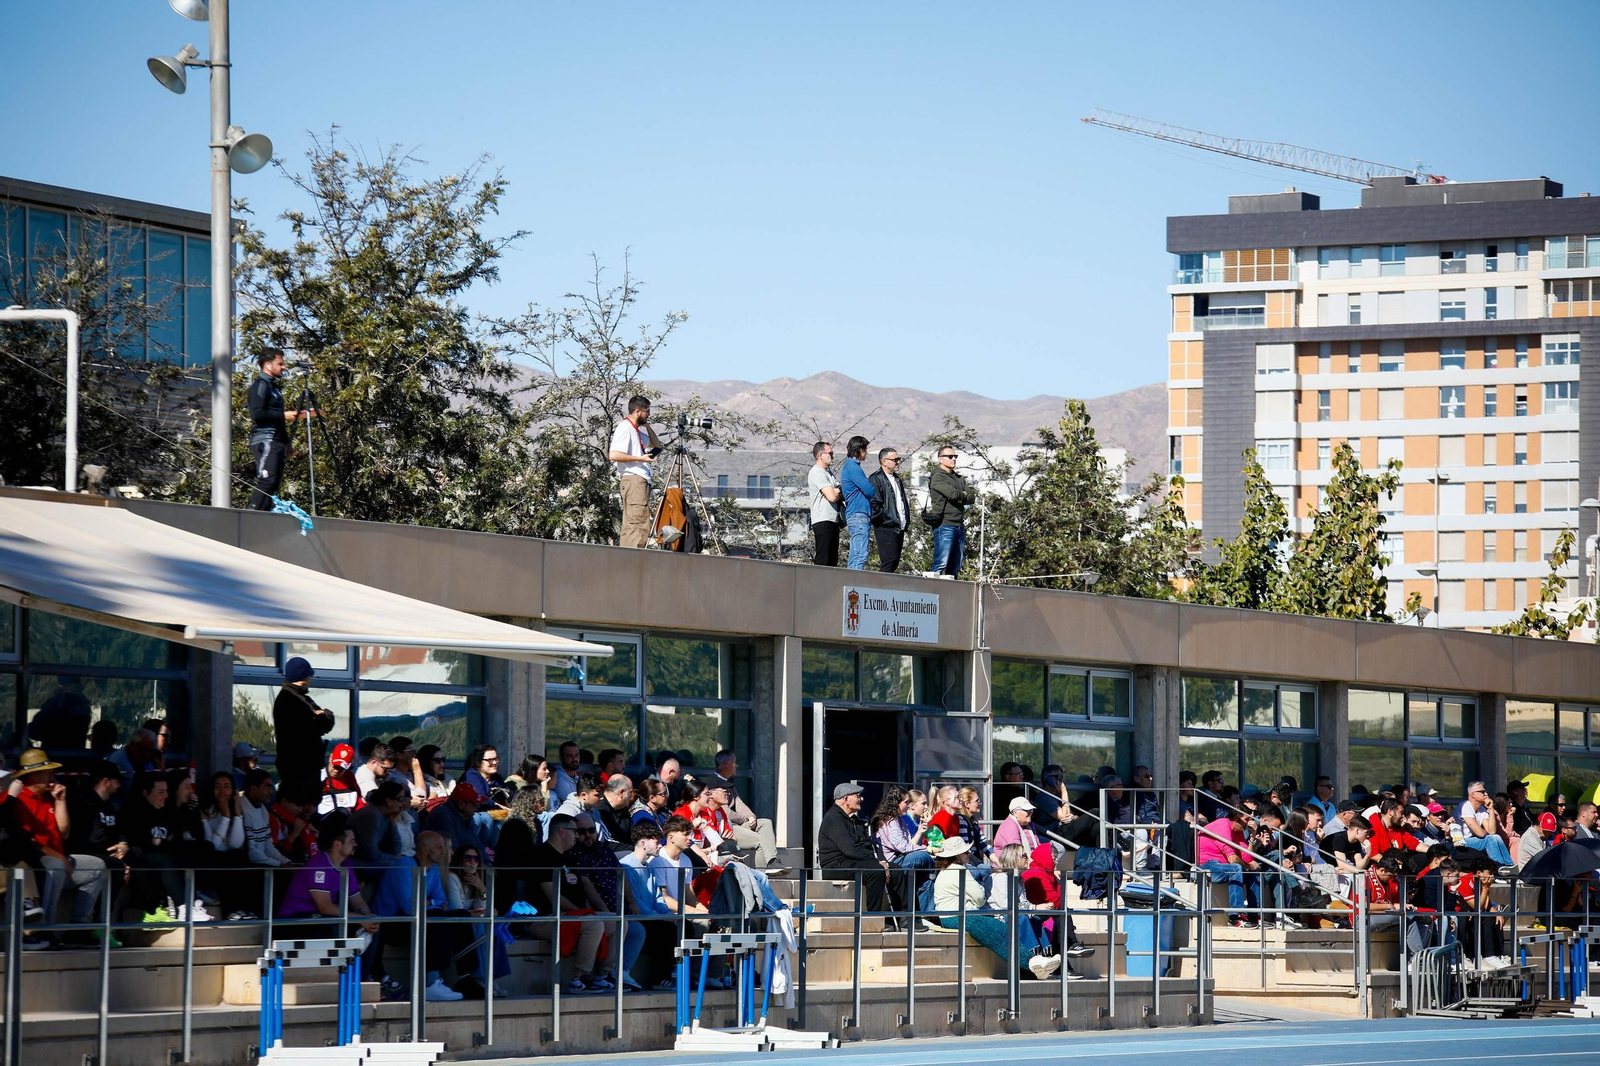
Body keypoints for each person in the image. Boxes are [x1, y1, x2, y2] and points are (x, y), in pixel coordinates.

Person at [275, 816, 395, 999]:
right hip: (294, 921)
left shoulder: (346, 865)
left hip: (319, 919)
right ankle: (345, 982)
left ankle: (363, 980)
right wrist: (359, 919)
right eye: (351, 841)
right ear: (337, 845)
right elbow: (325, 907)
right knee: (337, 927)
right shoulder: (318, 865)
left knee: (373, 929)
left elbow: (357, 900)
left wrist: (368, 917)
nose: (356, 844)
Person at [930, 838, 1061, 980]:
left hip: (959, 915)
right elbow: (980, 897)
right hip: (958, 916)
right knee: (999, 931)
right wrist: (1034, 907)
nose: (969, 853)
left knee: (1010, 925)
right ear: (956, 855)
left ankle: (1036, 961)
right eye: (964, 851)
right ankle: (1031, 963)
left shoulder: (951, 870)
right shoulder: (959, 870)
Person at [10, 748, 107, 937]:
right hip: (36, 861)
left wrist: (61, 801)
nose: (52, 776)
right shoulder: (19, 799)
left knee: (97, 866)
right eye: (47, 772)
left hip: (57, 856)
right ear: (33, 775)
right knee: (56, 866)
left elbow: (64, 834)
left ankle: (77, 928)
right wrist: (59, 858)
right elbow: (28, 842)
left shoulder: (50, 797)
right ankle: (43, 929)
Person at [524, 813, 615, 994]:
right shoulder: (541, 855)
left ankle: (602, 975)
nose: (577, 836)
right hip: (545, 919)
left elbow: (583, 888)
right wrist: (583, 913)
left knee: (619, 922)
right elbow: (553, 897)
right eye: (575, 832)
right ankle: (578, 978)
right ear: (562, 831)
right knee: (594, 924)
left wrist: (588, 912)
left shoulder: (569, 856)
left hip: (573, 917)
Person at [119, 770, 213, 922]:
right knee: (164, 857)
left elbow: (175, 839)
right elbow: (142, 846)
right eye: (161, 792)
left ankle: (194, 897)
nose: (166, 796)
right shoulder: (132, 812)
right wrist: (160, 843)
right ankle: (183, 907)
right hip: (141, 868)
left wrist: (192, 811)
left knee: (198, 848)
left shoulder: (164, 811)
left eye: (167, 791)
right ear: (146, 793)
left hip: (162, 863)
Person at [247, 348, 317, 510]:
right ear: (268, 365)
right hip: (265, 439)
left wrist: (286, 442)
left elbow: (278, 419)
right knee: (267, 480)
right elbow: (257, 414)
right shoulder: (260, 386)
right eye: (280, 363)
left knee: (275, 483)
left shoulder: (275, 389)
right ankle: (250, 516)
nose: (284, 367)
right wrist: (284, 415)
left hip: (277, 441)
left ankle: (263, 516)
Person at [618, 822, 683, 990]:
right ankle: (661, 978)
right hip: (636, 916)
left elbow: (658, 898)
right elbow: (635, 901)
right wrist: (660, 917)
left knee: (684, 926)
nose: (660, 845)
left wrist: (669, 915)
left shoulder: (648, 868)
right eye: (655, 841)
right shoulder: (627, 866)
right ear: (643, 843)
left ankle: (686, 974)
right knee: (666, 930)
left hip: (650, 915)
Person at [818, 782, 890, 916]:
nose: (861, 799)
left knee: (899, 870)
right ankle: (873, 916)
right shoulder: (833, 818)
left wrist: (881, 860)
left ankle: (904, 917)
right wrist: (875, 862)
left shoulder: (853, 820)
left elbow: (867, 844)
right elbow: (849, 849)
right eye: (857, 795)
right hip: (836, 866)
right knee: (875, 871)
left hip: (852, 861)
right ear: (846, 799)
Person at [272, 657, 334, 802]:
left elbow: (324, 721)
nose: (311, 678)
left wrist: (324, 715)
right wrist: (322, 715)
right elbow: (317, 726)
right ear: (304, 676)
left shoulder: (299, 698)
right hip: (299, 771)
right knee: (302, 808)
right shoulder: (291, 700)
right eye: (309, 675)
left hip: (304, 769)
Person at [710, 749, 784, 872]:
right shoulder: (714, 783)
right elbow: (726, 812)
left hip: (735, 824)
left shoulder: (727, 783)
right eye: (735, 762)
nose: (737, 766)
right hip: (726, 827)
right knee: (761, 841)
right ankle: (761, 874)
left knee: (765, 823)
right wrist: (744, 819)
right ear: (727, 763)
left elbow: (738, 802)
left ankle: (772, 861)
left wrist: (751, 816)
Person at [872, 787, 934, 912]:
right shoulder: (889, 821)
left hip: (902, 857)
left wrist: (919, 833)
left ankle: (925, 912)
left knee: (926, 878)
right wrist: (928, 849)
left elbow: (907, 845)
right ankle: (940, 869)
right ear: (896, 803)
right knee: (923, 857)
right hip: (894, 861)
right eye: (906, 802)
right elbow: (903, 847)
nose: (908, 805)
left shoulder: (899, 820)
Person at [1196, 807, 1261, 927]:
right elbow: (1232, 859)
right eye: (1247, 819)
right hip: (1208, 865)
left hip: (1222, 865)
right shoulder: (1223, 826)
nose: (1250, 823)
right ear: (1236, 819)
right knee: (1236, 868)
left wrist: (1252, 836)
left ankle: (1254, 916)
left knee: (1255, 872)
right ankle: (1235, 916)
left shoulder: (1238, 830)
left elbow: (1247, 858)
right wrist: (1249, 866)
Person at [608, 395, 658, 549]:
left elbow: (656, 444)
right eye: (647, 412)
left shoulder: (636, 430)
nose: (648, 414)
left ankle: (629, 557)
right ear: (637, 411)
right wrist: (640, 459)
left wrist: (647, 425)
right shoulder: (625, 427)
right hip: (634, 479)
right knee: (637, 522)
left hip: (639, 480)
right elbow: (614, 455)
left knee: (636, 522)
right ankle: (633, 559)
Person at [926, 445, 973, 577]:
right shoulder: (937, 477)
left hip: (959, 525)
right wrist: (961, 495)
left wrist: (960, 496)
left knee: (955, 566)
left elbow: (971, 497)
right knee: (940, 563)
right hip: (944, 524)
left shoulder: (959, 478)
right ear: (940, 459)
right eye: (950, 456)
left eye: (955, 456)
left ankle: (951, 594)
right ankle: (932, 592)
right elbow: (952, 494)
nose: (953, 459)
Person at [837, 435, 877, 570]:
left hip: (856, 514)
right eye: (865, 449)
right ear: (860, 450)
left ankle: (851, 582)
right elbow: (869, 490)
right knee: (860, 554)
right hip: (859, 514)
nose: (866, 453)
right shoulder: (853, 467)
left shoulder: (850, 467)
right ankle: (854, 585)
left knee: (856, 553)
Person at [868, 447, 910, 573]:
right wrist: (885, 519)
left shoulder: (897, 479)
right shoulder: (876, 478)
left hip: (898, 527)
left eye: (899, 459)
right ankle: (880, 590)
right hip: (886, 527)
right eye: (895, 459)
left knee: (894, 562)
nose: (898, 462)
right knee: (888, 562)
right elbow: (874, 504)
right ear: (884, 461)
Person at [422, 783, 489, 857]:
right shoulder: (444, 816)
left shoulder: (465, 817)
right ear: (462, 804)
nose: (477, 808)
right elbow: (452, 849)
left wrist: (486, 862)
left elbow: (475, 843)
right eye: (475, 804)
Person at [807, 441, 843, 567]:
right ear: (820, 455)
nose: (833, 456)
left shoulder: (829, 474)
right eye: (830, 453)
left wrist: (836, 491)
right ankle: (818, 585)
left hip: (833, 519)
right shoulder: (817, 472)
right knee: (823, 559)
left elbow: (840, 492)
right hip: (823, 519)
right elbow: (833, 497)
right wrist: (835, 491)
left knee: (832, 561)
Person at [319, 743, 365, 815]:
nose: (337, 770)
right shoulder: (320, 777)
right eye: (335, 766)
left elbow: (359, 802)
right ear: (330, 758)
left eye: (342, 768)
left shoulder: (349, 777)